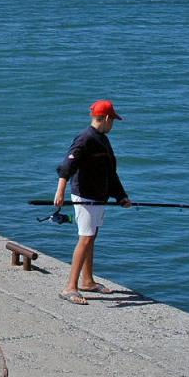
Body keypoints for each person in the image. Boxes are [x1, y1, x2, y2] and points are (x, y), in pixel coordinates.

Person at [53, 99, 132, 305]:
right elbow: (67, 165)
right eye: (112, 120)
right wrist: (60, 191)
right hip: (85, 196)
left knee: (92, 236)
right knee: (86, 238)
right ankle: (70, 287)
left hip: (99, 197)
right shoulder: (85, 138)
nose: (113, 124)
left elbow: (110, 173)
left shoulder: (103, 139)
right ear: (105, 118)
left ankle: (87, 281)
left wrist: (120, 196)